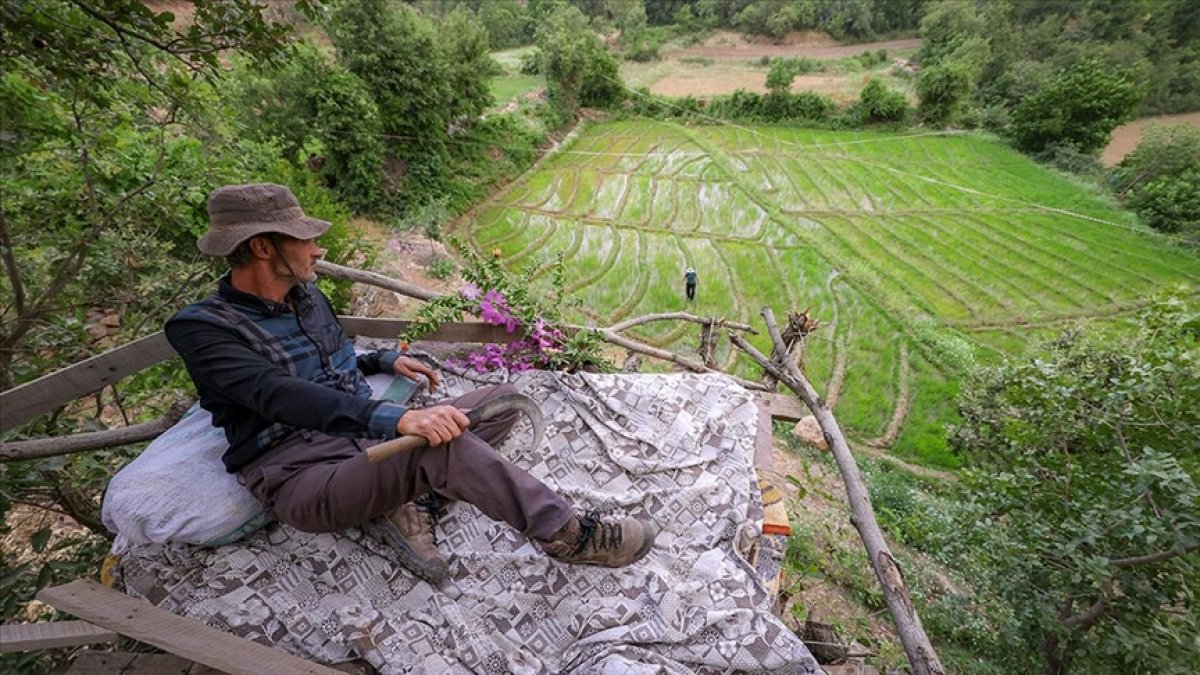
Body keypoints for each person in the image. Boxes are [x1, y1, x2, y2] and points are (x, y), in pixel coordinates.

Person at [165, 183, 656, 584]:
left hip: (360, 438)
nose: (319, 248)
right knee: (439, 447)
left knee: (501, 402)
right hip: (301, 470)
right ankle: (567, 535)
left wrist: (380, 360)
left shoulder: (306, 295)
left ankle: (409, 501)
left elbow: (329, 357)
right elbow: (277, 393)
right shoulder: (203, 328)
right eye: (305, 239)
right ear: (262, 246)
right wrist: (400, 418)